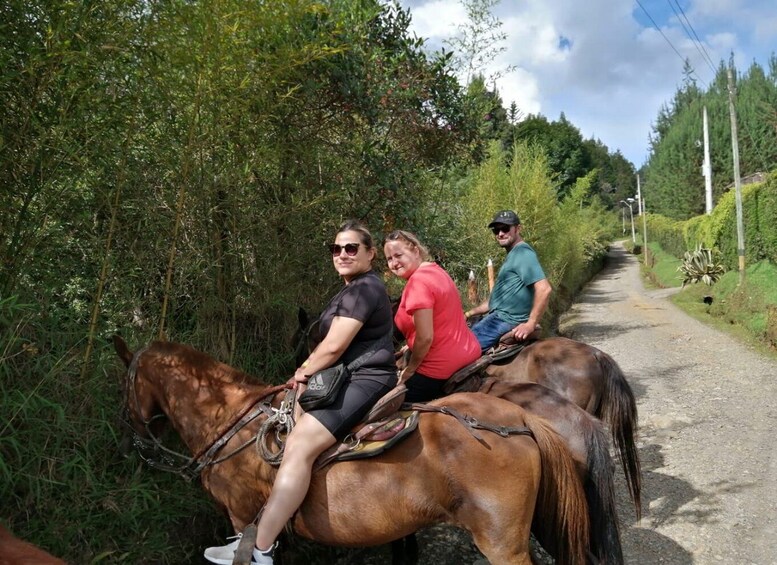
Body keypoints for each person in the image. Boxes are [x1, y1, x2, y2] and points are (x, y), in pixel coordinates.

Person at [204, 220, 397, 565]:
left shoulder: (365, 289)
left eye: (352, 248)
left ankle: (260, 549)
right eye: (336, 249)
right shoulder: (352, 288)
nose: (342, 254)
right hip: (344, 376)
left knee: (301, 443)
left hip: (365, 378)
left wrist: (303, 371)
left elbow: (335, 345)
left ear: (370, 254)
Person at [383, 230, 481, 402]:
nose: (394, 263)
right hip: (468, 351)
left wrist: (410, 369)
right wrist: (411, 345)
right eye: (389, 259)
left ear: (415, 250)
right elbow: (442, 318)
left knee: (384, 404)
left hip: (438, 367)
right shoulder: (435, 270)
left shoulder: (418, 283)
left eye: (398, 255)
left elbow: (426, 337)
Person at [465, 210, 552, 352]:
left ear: (518, 229)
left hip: (504, 320)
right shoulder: (513, 255)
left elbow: (544, 289)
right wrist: (468, 314)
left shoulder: (523, 253)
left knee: (463, 349)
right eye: (496, 230)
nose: (500, 234)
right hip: (498, 316)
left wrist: (530, 324)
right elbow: (493, 302)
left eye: (505, 228)